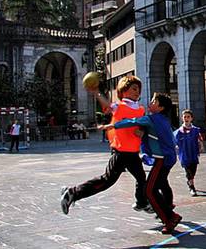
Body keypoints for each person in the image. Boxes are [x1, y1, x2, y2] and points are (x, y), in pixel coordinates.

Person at [60, 76, 150, 216]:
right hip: (121, 151)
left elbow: (143, 125)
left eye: (138, 89)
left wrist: (142, 131)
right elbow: (107, 105)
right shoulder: (119, 106)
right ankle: (73, 192)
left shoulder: (141, 109)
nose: (137, 92)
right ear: (123, 91)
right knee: (107, 180)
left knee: (141, 178)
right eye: (133, 89)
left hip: (132, 152)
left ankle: (142, 202)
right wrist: (96, 92)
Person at [100, 92, 181, 234]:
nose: (150, 102)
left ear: (161, 107)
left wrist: (113, 125)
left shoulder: (151, 118)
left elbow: (133, 121)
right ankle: (169, 213)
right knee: (157, 187)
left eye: (154, 101)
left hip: (162, 160)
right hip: (168, 158)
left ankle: (170, 218)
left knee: (149, 190)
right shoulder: (162, 119)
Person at [175, 109, 204, 197]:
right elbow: (175, 142)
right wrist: (176, 147)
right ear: (182, 118)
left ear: (191, 118)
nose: (186, 118)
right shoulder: (179, 132)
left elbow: (199, 140)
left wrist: (201, 146)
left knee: (193, 170)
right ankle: (192, 187)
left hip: (193, 153)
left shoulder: (195, 130)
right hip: (184, 154)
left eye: (188, 117)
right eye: (185, 117)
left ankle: (190, 181)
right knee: (188, 171)